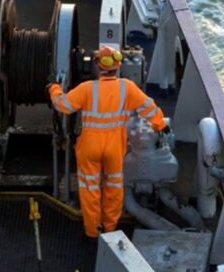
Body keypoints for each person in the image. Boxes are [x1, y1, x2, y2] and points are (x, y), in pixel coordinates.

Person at [47, 46, 169, 238]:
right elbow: (148, 107)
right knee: (113, 187)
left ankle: (93, 232)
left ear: (97, 65)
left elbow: (63, 106)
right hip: (114, 147)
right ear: (118, 66)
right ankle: (110, 229)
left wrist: (53, 88)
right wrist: (161, 125)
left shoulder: (86, 89)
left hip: (89, 146)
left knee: (90, 189)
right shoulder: (126, 87)